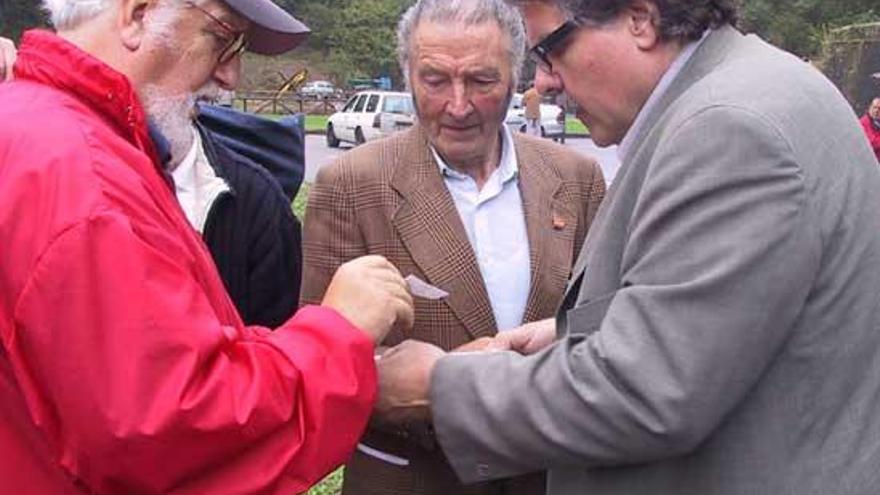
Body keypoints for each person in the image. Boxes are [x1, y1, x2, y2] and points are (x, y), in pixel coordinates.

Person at [374, 1, 880, 494]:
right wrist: (574, 332)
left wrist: (438, 386)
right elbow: (736, 302)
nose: (545, 81)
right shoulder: (767, 84)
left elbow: (646, 391)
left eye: (550, 50)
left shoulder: (727, 130)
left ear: (641, 19)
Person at [0, 1, 414, 494]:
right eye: (221, 39)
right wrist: (340, 331)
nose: (231, 76)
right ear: (137, 14)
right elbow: (169, 432)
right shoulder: (89, 179)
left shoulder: (35, 128)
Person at [300, 1, 605, 494]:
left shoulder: (576, 178)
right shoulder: (351, 185)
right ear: (407, 77)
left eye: (482, 81)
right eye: (435, 80)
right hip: (417, 479)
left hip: (548, 478)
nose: (458, 105)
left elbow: (601, 320)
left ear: (515, 76)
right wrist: (423, 386)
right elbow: (321, 361)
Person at [860, 97, 880, 162]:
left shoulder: (877, 122)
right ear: (870, 107)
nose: (876, 111)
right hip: (869, 162)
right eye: (874, 107)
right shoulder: (864, 122)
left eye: (879, 109)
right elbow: (872, 142)